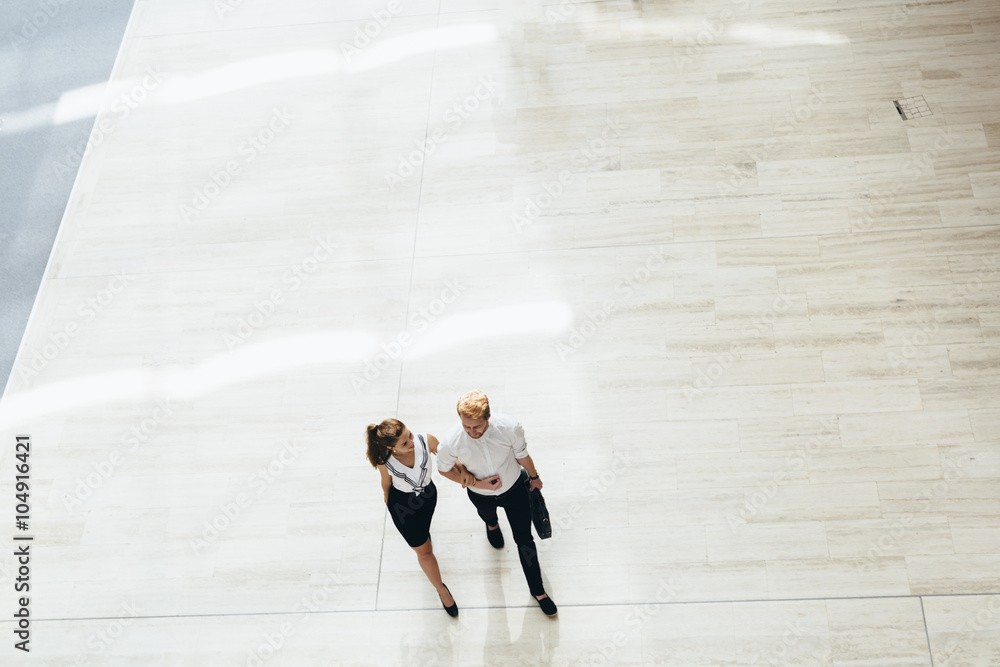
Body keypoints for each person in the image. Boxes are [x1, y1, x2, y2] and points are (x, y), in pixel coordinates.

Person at [436, 390, 558, 616]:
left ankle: (538, 590)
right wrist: (478, 484)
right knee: (487, 516)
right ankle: (491, 525)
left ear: (488, 416)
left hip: (514, 489)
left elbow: (522, 454)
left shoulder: (510, 427)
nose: (472, 432)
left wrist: (534, 476)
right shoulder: (452, 441)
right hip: (480, 494)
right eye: (467, 427)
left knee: (524, 539)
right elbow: (443, 469)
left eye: (477, 426)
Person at [366, 418, 473, 617]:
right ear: (391, 447)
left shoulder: (426, 440)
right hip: (403, 507)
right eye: (404, 443)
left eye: (410, 435)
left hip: (428, 497)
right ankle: (442, 591)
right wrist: (388, 501)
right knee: (425, 552)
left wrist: (463, 468)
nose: (412, 442)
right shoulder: (385, 460)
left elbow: (448, 458)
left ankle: (424, 542)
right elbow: (386, 482)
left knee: (425, 536)